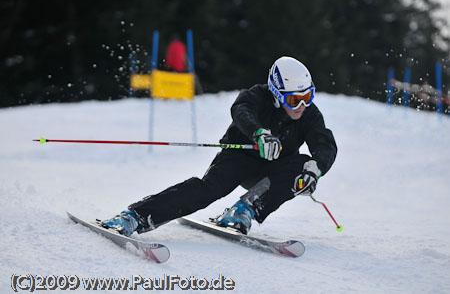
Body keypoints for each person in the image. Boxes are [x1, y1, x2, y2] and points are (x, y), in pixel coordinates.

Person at [102, 56, 337, 236]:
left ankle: (245, 210)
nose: (302, 105)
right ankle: (135, 216)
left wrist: (313, 171)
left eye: (308, 96)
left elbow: (324, 142)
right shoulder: (257, 96)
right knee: (208, 190)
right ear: (277, 93)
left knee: (301, 165)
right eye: (295, 99)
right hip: (240, 159)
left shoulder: (308, 113)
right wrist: (260, 134)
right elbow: (241, 110)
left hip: (273, 170)